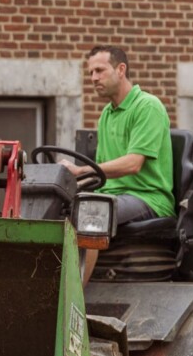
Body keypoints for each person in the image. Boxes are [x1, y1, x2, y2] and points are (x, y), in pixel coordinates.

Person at [62, 45, 174, 274]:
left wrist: (81, 171)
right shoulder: (106, 115)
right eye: (91, 72)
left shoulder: (147, 106)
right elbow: (101, 175)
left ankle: (75, 299)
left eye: (100, 71)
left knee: (90, 210)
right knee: (61, 207)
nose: (93, 78)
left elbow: (133, 164)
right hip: (113, 195)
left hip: (147, 198)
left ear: (121, 69)